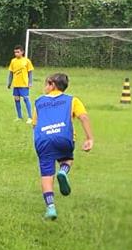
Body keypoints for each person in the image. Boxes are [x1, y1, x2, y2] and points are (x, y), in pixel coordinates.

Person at [32, 73, 94, 220]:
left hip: (43, 139)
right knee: (67, 158)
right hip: (64, 138)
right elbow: (83, 117)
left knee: (46, 175)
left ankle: (51, 208)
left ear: (52, 84)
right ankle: (64, 171)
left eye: (45, 84)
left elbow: (35, 124)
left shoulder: (39, 102)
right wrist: (89, 138)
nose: (44, 87)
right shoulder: (72, 100)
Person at [7, 45, 34, 123]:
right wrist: (9, 83)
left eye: (18, 52)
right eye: (15, 52)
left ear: (22, 52)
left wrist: (30, 82)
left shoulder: (27, 61)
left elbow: (30, 72)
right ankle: (19, 117)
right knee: (16, 99)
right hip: (16, 84)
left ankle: (30, 117)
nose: (16, 54)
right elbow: (11, 73)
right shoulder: (13, 61)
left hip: (24, 84)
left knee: (26, 99)